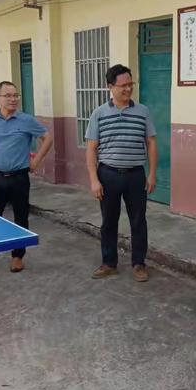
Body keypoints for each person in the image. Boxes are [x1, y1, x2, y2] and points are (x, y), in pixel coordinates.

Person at [0, 81, 53, 275]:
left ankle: (17, 257)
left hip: (19, 178)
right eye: (8, 96)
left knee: (20, 218)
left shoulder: (26, 120)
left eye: (15, 95)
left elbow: (47, 139)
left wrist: (36, 161)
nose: (13, 99)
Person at [85, 64, 157, 282]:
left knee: (138, 220)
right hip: (108, 175)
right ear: (110, 87)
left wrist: (152, 174)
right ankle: (109, 263)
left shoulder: (142, 111)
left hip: (135, 174)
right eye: (123, 85)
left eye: (130, 84)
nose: (127, 89)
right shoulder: (99, 113)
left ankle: (139, 263)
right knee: (109, 221)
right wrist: (94, 180)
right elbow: (91, 148)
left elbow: (151, 143)